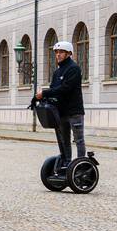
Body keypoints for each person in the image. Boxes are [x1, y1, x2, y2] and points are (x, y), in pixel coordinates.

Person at [37, 40, 85, 171]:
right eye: (56, 52)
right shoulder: (57, 72)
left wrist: (45, 93)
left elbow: (65, 89)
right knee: (63, 140)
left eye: (61, 52)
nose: (58, 55)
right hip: (61, 112)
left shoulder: (74, 69)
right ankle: (66, 163)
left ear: (69, 53)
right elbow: (54, 89)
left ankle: (81, 166)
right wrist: (45, 98)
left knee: (78, 140)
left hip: (74, 111)